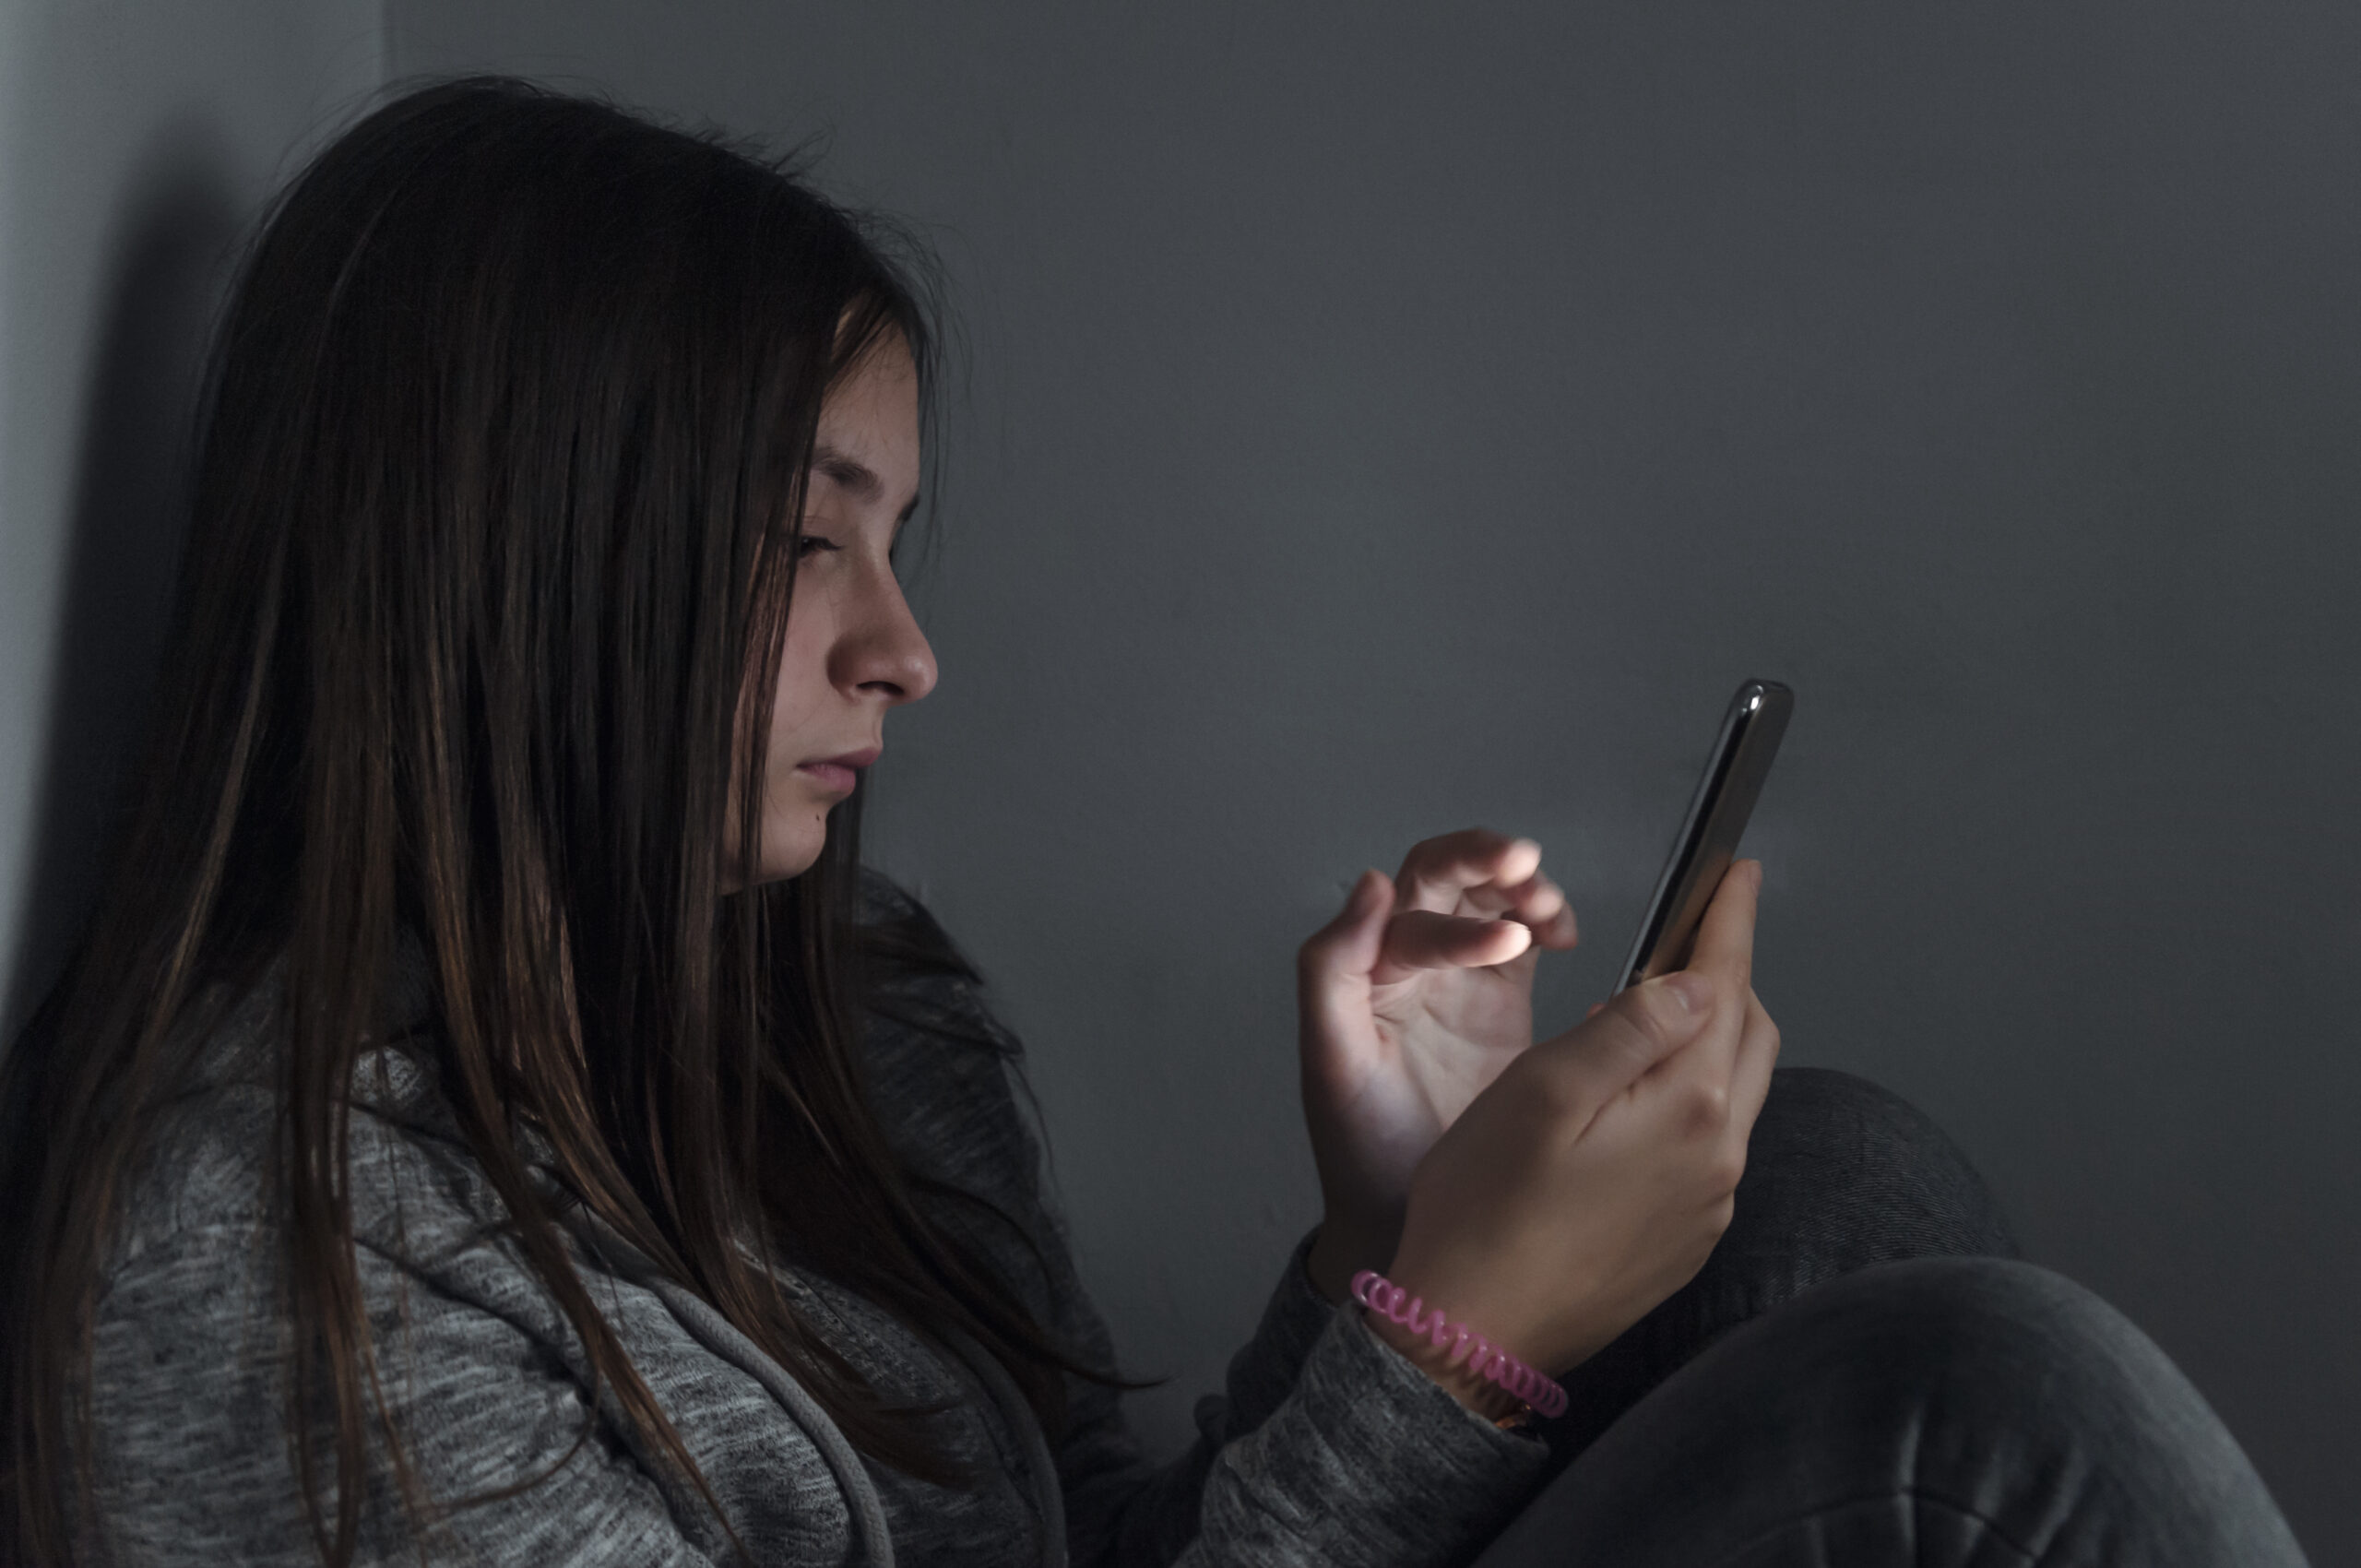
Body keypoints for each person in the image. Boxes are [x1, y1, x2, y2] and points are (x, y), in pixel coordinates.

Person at [0, 74, 2309, 1568]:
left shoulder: (853, 1007)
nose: (904, 653)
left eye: (899, 543)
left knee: (1823, 1172)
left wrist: (1380, 1241)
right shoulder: (282, 1254)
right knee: (1981, 1403)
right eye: (811, 541)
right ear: (513, 555)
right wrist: (1450, 1345)